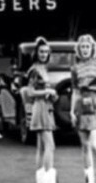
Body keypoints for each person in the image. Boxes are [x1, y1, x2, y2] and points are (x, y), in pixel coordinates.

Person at [70, 34, 96, 183]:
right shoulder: (75, 68)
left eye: (87, 46)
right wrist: (72, 112)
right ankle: (89, 179)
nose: (85, 49)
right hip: (81, 107)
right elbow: (75, 91)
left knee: (95, 145)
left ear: (92, 48)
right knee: (85, 146)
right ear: (79, 49)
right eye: (82, 47)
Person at [22, 36, 58, 183]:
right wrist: (48, 93)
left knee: (41, 147)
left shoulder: (43, 68)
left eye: (46, 52)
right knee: (50, 146)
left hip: (46, 107)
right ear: (36, 53)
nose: (44, 54)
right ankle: (47, 179)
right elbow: (29, 92)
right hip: (40, 107)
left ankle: (40, 179)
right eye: (41, 52)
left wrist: (51, 95)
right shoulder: (35, 70)